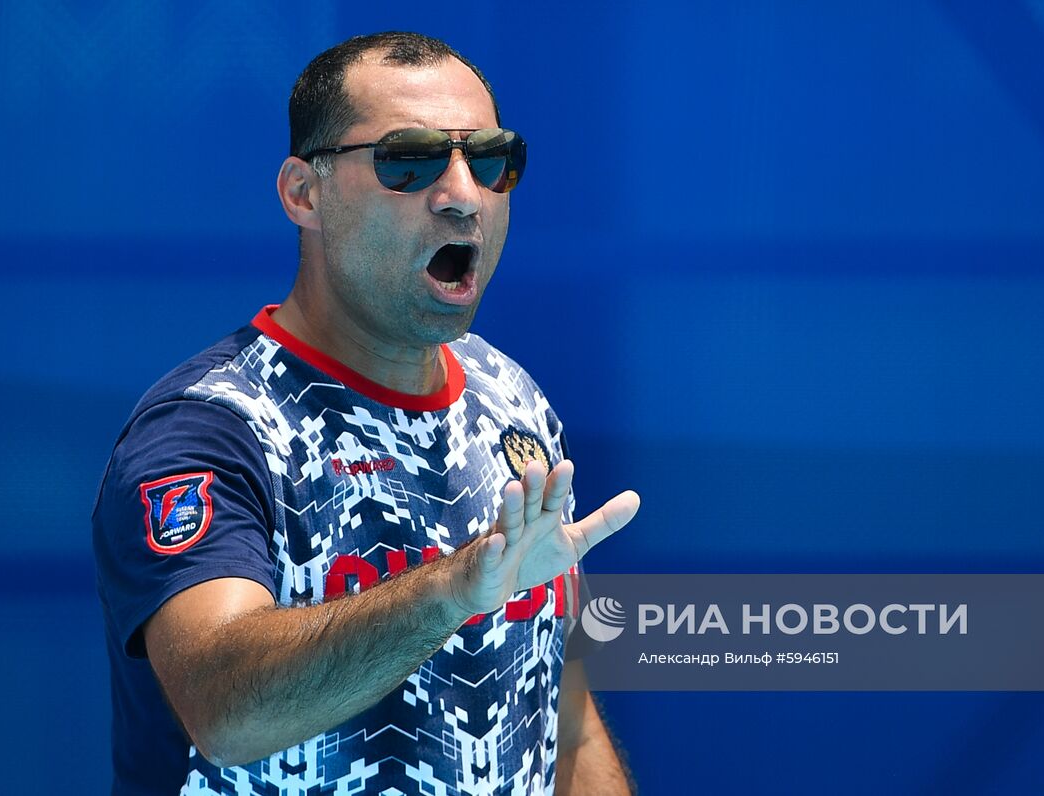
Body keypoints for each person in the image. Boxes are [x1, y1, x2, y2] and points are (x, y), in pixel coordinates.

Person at [91, 31, 639, 796]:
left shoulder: (511, 399)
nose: (461, 193)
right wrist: (449, 594)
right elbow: (226, 716)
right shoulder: (210, 431)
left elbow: (560, 713)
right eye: (407, 160)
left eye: (489, 159)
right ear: (302, 193)